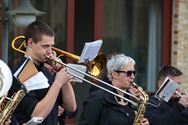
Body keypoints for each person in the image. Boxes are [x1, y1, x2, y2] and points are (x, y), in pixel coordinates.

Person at [9, 21, 77, 125]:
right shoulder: (21, 73)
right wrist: (58, 83)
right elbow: (36, 116)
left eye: (51, 46)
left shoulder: (45, 71)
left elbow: (71, 107)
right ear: (30, 43)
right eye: (45, 46)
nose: (50, 51)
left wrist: (63, 76)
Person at [79, 53, 149, 125]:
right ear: (114, 74)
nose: (133, 77)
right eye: (129, 73)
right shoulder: (97, 98)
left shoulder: (131, 99)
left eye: (134, 73)